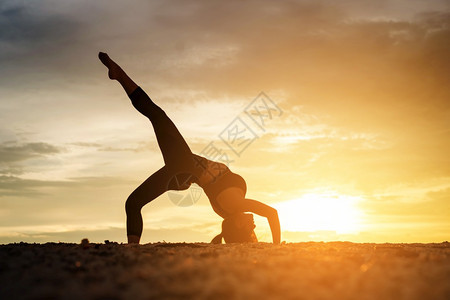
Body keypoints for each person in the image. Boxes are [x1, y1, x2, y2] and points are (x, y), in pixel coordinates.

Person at [98, 52, 280, 244]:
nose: (254, 223)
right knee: (133, 203)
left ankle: (120, 75)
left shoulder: (235, 205)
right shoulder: (230, 209)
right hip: (182, 172)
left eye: (251, 227)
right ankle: (132, 247)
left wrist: (276, 245)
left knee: (158, 115)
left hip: (184, 166)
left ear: (238, 225)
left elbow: (271, 213)